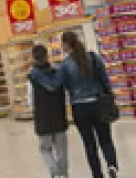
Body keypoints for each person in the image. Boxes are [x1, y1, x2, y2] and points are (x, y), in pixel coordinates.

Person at [30, 31, 119, 178]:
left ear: (65, 44)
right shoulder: (94, 58)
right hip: (98, 104)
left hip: (80, 108)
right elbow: (105, 80)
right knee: (106, 139)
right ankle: (112, 165)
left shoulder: (64, 65)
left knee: (90, 144)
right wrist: (109, 96)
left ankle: (97, 174)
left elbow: (53, 85)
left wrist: (36, 74)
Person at [28, 44, 69, 178]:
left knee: (45, 149)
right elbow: (66, 94)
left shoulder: (32, 77)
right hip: (59, 115)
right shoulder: (58, 72)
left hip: (43, 118)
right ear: (47, 56)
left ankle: (55, 173)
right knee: (61, 149)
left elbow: (30, 101)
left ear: (34, 58)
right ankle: (63, 173)